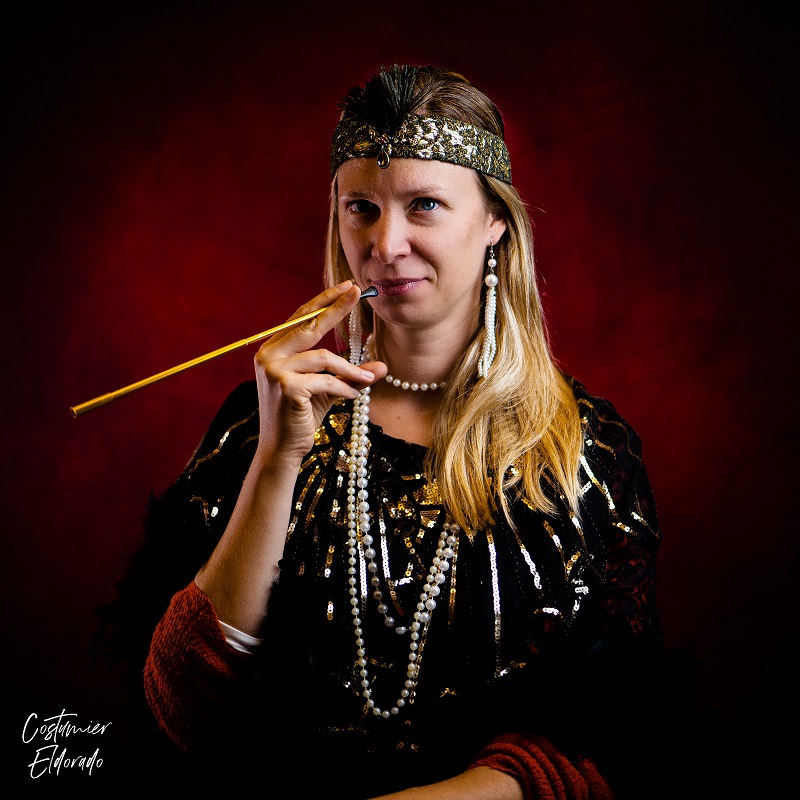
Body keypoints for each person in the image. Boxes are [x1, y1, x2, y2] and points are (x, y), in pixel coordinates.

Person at [96, 65, 676, 799]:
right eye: (361, 206)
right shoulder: (264, 423)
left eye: (425, 205)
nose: (385, 243)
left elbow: (610, 732)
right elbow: (180, 711)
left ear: (496, 222)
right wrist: (280, 457)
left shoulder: (587, 452)